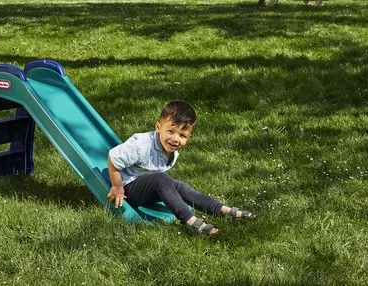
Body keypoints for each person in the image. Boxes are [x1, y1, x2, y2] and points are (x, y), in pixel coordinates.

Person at [106, 100, 256, 235]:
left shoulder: (172, 153)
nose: (175, 139)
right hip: (127, 189)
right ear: (158, 127)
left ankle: (222, 210)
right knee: (161, 179)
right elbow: (113, 158)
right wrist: (117, 186)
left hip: (147, 187)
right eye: (170, 131)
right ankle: (189, 221)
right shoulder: (141, 145)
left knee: (179, 186)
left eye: (182, 135)